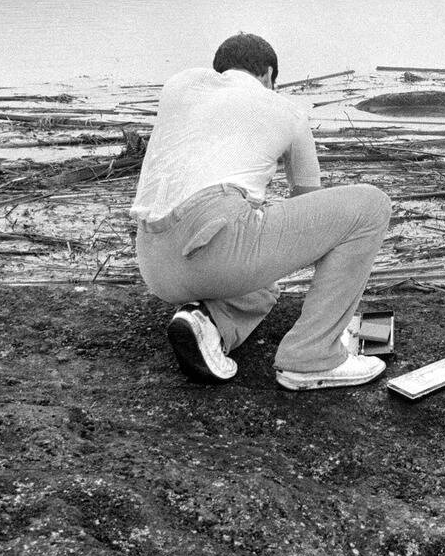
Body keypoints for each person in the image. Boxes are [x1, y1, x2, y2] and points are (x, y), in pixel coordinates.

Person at [130, 33, 392, 390]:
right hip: (214, 247)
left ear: (219, 70)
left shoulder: (179, 86)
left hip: (153, 261)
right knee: (371, 205)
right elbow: (309, 208)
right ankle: (312, 354)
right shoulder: (287, 111)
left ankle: (207, 322)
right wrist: (336, 309)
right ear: (269, 74)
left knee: (262, 288)